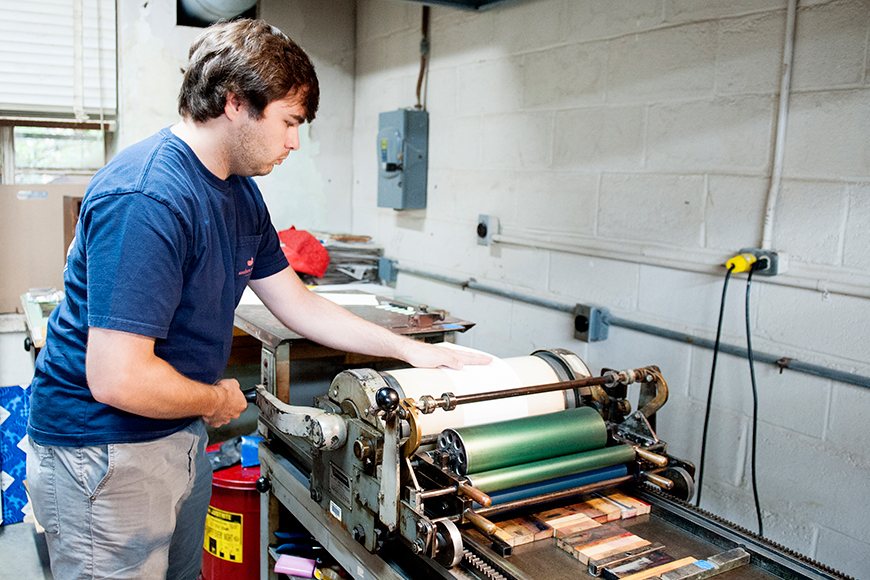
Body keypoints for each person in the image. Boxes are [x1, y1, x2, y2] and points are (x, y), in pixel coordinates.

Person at [26, 18, 490, 580]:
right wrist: (211, 400)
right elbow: (117, 377)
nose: (294, 141)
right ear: (235, 102)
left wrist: (412, 351)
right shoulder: (148, 197)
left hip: (173, 432)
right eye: (290, 121)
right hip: (102, 451)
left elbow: (298, 303)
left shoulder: (239, 193)